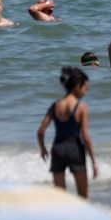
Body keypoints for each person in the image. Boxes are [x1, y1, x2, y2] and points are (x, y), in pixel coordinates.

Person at [37, 67, 98, 199]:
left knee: (60, 198)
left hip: (57, 150)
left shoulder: (55, 106)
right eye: (85, 88)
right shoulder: (81, 107)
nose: (85, 92)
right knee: (83, 197)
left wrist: (43, 149)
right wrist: (93, 161)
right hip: (75, 150)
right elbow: (86, 137)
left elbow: (41, 131)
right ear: (77, 86)